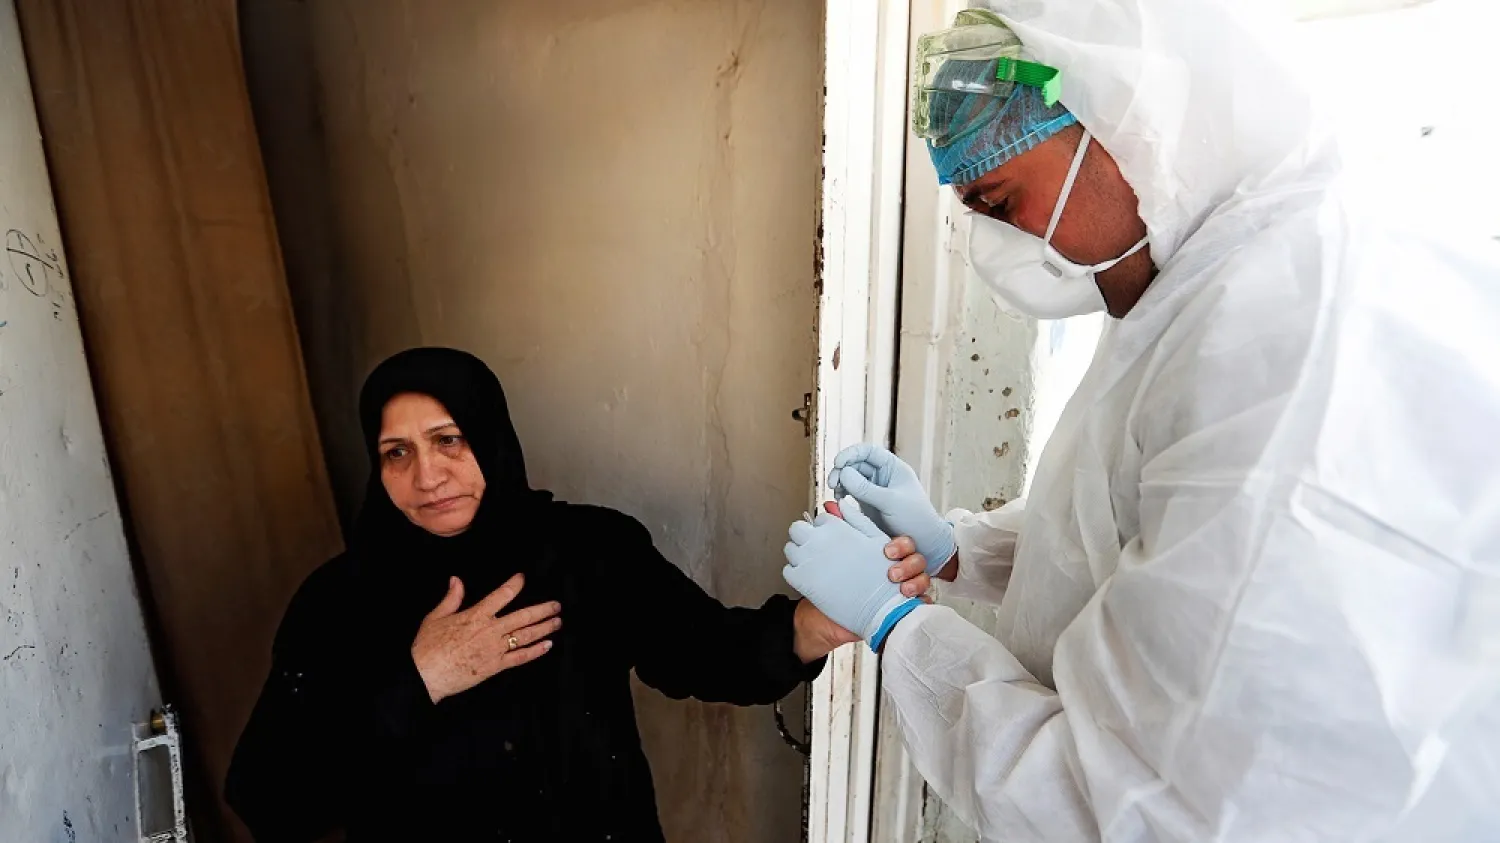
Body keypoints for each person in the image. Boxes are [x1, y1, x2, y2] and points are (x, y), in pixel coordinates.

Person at [783, 3, 1500, 841]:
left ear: (1121, 115)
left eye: (998, 199)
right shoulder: (1213, 278)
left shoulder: (1288, 347)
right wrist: (954, 549)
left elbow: (1131, 802)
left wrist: (899, 626)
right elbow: (1136, 519)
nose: (990, 243)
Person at [225, 347, 931, 842]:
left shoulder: (588, 552)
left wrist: (812, 626)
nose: (427, 474)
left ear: (492, 440)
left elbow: (706, 651)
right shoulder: (339, 602)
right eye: (397, 452)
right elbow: (270, 799)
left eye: (449, 439)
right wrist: (419, 679)